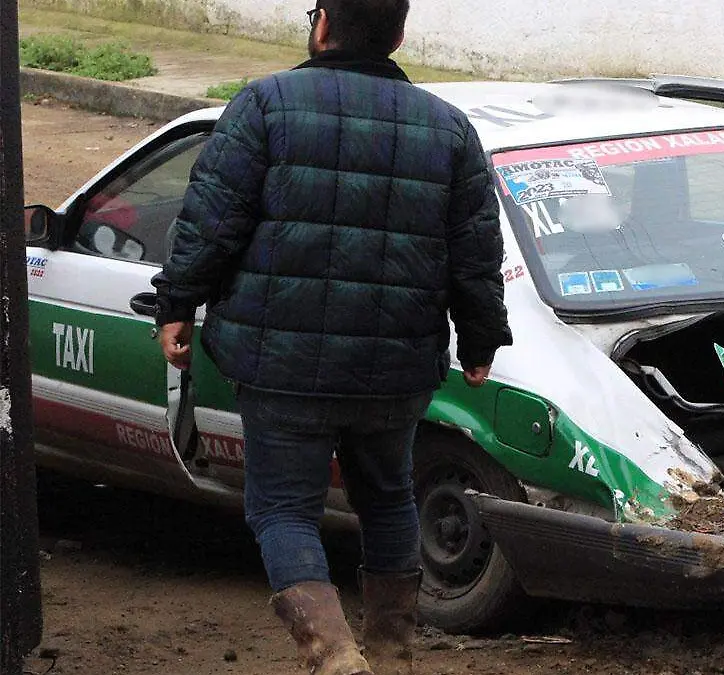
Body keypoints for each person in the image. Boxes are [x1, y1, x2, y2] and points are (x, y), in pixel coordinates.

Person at [149, 1, 512, 673]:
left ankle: (335, 653)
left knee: (284, 509)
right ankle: (393, 652)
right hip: (396, 366)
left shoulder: (264, 105)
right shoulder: (449, 128)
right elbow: (475, 252)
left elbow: (210, 221)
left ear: (321, 27)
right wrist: (481, 341)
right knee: (388, 498)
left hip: (280, 362)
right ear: (399, 34)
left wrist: (177, 304)